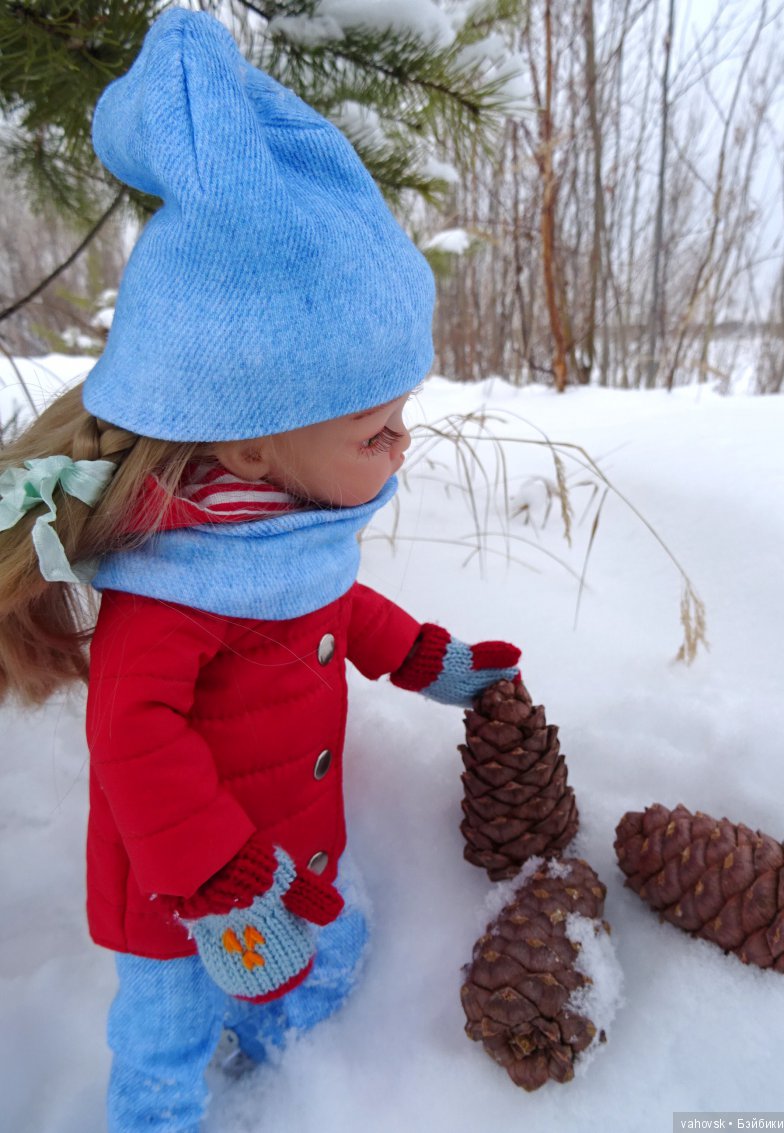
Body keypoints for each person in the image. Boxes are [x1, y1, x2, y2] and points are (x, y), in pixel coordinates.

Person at [0, 10, 520, 1132]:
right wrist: (215, 876)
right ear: (249, 440)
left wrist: (430, 658)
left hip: (294, 857)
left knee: (319, 979)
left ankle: (296, 1079)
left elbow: (328, 611)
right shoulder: (172, 578)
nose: (402, 447)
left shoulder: (280, 526)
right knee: (166, 1037)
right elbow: (133, 738)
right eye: (376, 428)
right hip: (182, 891)